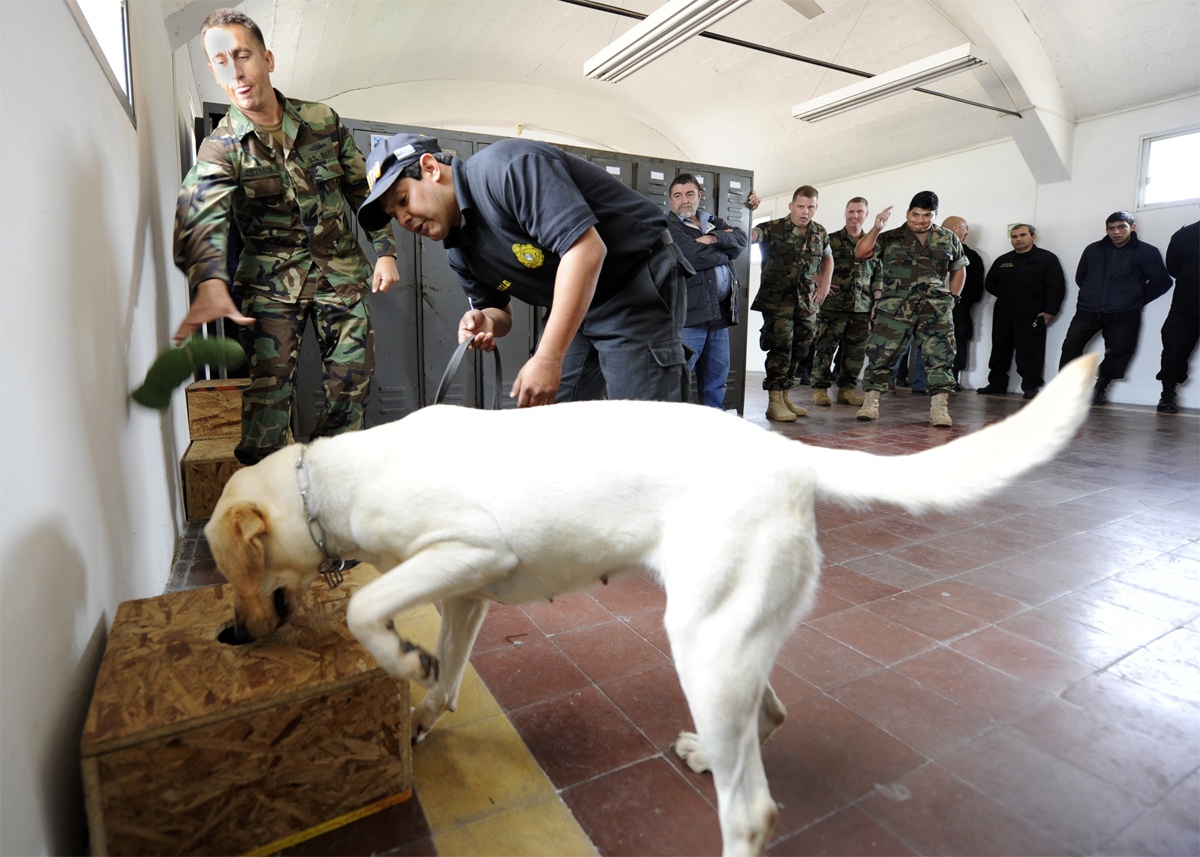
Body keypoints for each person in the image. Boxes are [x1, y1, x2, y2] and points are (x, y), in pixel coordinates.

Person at [173, 9, 399, 466]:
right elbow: (198, 214)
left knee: (350, 387)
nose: (235, 72)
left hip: (341, 275)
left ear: (267, 58)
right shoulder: (221, 148)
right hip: (271, 286)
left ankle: (327, 482)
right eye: (220, 62)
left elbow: (363, 191)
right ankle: (267, 497)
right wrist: (210, 279)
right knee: (267, 401)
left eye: (242, 55)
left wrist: (386, 251)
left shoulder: (322, 120)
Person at [356, 134, 688, 406]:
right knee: (545, 412)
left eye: (402, 201)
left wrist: (548, 358)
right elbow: (500, 314)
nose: (404, 220)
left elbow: (587, 250)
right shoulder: (459, 250)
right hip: (577, 298)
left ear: (430, 168)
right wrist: (484, 320)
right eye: (394, 217)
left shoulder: (506, 169)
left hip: (631, 277)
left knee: (641, 424)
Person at [853, 191, 967, 427]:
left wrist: (953, 298)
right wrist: (875, 228)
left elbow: (958, 268)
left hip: (935, 306)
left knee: (940, 356)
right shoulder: (890, 237)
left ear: (935, 215)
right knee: (881, 354)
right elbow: (861, 253)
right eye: (915, 214)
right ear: (907, 213)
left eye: (927, 215)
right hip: (895, 306)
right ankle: (870, 403)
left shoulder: (948, 237)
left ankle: (939, 408)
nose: (920, 220)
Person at [1059, 210, 1172, 405]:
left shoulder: (1147, 252)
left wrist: (1135, 298)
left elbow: (1162, 282)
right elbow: (1081, 277)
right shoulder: (1093, 249)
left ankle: (1100, 387)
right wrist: (1091, 293)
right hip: (1088, 309)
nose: (1116, 232)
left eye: (1121, 227)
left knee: (1119, 350)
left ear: (1132, 227)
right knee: (1071, 346)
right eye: (1111, 228)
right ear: (1106, 229)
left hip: (1124, 313)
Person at [746, 186, 833, 420]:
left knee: (801, 349)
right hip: (777, 303)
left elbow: (827, 257)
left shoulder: (819, 231)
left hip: (807, 303)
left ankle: (785, 395)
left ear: (816, 207)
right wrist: (749, 210)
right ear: (791, 206)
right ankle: (774, 401)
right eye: (801, 206)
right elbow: (749, 235)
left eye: (811, 207)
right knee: (781, 347)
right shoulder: (773, 228)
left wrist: (825, 284)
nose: (805, 212)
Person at [666, 174, 747, 409]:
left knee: (716, 381)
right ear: (670, 200)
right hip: (689, 316)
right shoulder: (669, 226)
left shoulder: (713, 222)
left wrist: (712, 238)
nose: (684, 201)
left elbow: (740, 240)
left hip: (719, 315)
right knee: (679, 379)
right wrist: (726, 250)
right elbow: (691, 256)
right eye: (678, 196)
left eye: (689, 194)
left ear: (699, 195)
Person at [977, 224, 1066, 399]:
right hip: (1004, 311)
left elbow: (1056, 288)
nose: (1018, 239)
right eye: (1014, 236)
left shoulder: (1046, 259)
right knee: (999, 348)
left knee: (1030, 351)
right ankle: (997, 383)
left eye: (1022, 235)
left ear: (1033, 237)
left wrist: (1049, 312)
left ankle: (1030, 386)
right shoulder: (1003, 260)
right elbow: (990, 284)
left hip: (1032, 313)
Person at [809, 197, 878, 407]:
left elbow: (879, 275)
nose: (854, 215)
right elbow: (810, 263)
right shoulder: (829, 239)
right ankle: (820, 389)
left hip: (862, 307)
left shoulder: (874, 243)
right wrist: (820, 280)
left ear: (866, 215)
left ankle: (846, 390)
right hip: (832, 305)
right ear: (845, 213)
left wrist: (877, 301)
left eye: (859, 211)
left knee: (855, 352)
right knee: (825, 348)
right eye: (851, 211)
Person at [1157, 219, 1199, 413]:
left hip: (1186, 299)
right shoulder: (1184, 235)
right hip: (1187, 300)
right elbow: (1173, 268)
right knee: (1174, 346)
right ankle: (1168, 393)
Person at [941, 216, 986, 390]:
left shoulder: (972, 257)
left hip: (959, 308)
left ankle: (953, 378)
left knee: (958, 340)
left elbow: (976, 288)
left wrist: (960, 302)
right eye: (965, 228)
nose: (967, 232)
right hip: (931, 306)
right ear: (955, 228)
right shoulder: (931, 251)